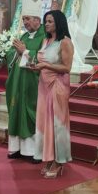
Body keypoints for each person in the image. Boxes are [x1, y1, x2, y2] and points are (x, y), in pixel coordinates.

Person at [32, 10, 74, 178]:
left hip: (57, 86)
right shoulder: (46, 40)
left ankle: (59, 161)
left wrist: (45, 66)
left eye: (49, 21)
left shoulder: (65, 42)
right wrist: (35, 66)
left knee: (57, 124)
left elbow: (66, 68)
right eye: (46, 21)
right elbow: (43, 62)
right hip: (43, 86)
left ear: (58, 22)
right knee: (45, 123)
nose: (46, 24)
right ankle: (49, 158)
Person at [4, 0, 46, 161]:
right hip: (17, 82)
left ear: (37, 19)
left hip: (32, 84)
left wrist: (25, 52)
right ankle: (17, 149)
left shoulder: (44, 37)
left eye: (27, 19)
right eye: (23, 20)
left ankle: (34, 151)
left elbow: (44, 58)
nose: (25, 23)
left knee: (31, 115)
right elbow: (12, 54)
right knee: (17, 112)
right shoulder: (24, 37)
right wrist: (12, 52)